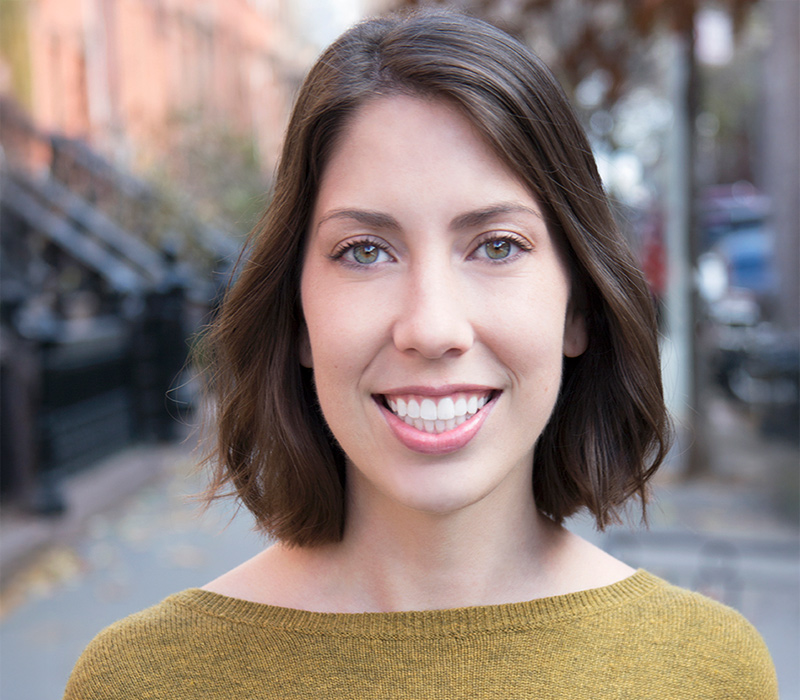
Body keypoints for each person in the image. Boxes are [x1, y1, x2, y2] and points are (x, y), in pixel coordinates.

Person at [64, 10, 777, 699]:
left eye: (497, 246)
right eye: (365, 251)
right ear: (300, 318)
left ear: (578, 307)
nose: (431, 328)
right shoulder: (139, 682)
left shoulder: (709, 674)